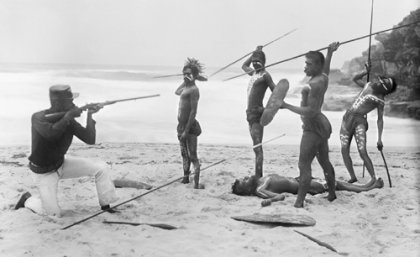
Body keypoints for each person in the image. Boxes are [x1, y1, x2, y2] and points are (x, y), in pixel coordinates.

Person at [14, 85, 119, 217]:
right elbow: (51, 134)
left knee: (100, 168)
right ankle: (27, 200)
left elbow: (90, 139)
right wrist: (68, 117)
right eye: (70, 100)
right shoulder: (38, 117)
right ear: (59, 103)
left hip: (61, 164)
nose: (74, 103)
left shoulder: (69, 121)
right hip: (44, 173)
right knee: (53, 214)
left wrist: (89, 115)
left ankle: (106, 206)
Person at [280, 42, 340, 208]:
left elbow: (311, 111)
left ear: (317, 66)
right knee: (324, 161)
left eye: (308, 64)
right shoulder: (323, 78)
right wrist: (330, 53)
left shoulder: (314, 84)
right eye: (305, 63)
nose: (305, 67)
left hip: (313, 127)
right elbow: (326, 69)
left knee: (303, 164)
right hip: (321, 125)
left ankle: (299, 202)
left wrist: (286, 106)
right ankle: (332, 193)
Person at [340, 65, 397, 185]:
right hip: (347, 119)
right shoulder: (368, 85)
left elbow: (380, 120)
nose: (379, 81)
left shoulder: (380, 100)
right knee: (344, 150)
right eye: (383, 79)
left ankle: (373, 178)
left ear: (385, 89)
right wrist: (365, 72)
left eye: (384, 82)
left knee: (362, 151)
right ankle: (352, 177)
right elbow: (355, 79)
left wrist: (379, 139)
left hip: (359, 122)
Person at [232, 174, 384, 206]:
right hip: (304, 186)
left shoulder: (261, 179)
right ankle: (369, 188)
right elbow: (279, 197)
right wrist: (269, 200)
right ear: (246, 190)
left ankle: (367, 187)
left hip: (300, 179)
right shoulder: (260, 188)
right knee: (336, 183)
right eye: (243, 181)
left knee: (337, 182)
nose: (245, 177)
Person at [242, 46, 276, 178]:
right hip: (249, 113)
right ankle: (258, 175)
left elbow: (276, 93)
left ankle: (258, 177)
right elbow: (244, 65)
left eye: (258, 61)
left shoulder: (265, 76)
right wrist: (254, 53)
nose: (255, 63)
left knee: (257, 147)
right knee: (255, 146)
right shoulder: (253, 73)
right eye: (254, 62)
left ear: (264, 62)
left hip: (257, 114)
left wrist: (266, 109)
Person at [175, 58, 206, 189]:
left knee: (192, 155)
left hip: (190, 127)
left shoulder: (194, 90)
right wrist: (186, 79)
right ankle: (185, 178)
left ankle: (196, 184)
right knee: (184, 154)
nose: (186, 76)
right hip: (180, 126)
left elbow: (193, 112)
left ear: (194, 75)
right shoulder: (186, 87)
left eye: (188, 73)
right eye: (184, 74)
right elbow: (176, 91)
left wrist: (186, 131)